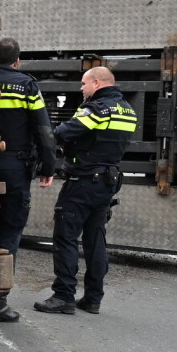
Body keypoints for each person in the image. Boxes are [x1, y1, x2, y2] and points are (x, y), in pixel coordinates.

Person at [34, 65, 136, 315]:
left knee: (65, 237)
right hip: (107, 182)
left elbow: (64, 132)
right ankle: (92, 298)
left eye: (84, 83)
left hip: (83, 182)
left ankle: (63, 296)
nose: (81, 88)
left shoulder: (97, 109)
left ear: (97, 83)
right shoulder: (127, 110)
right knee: (95, 240)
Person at [0, 39, 56, 322]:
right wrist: (48, 167)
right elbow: (43, 129)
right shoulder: (26, 85)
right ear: (17, 61)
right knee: (9, 230)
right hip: (14, 166)